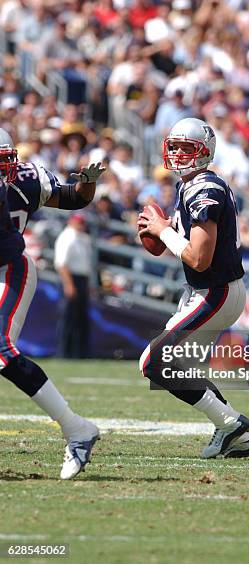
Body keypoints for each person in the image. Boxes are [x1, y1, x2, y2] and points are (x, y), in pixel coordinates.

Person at [137, 118, 249, 459]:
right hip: (209, 291)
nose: (177, 153)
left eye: (187, 148)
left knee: (154, 362)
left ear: (204, 152)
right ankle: (237, 437)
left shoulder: (205, 189)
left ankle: (230, 423)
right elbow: (175, 245)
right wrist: (158, 231)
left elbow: (199, 258)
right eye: (173, 146)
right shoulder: (192, 185)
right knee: (176, 366)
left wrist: (162, 230)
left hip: (215, 292)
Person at [0, 128, 105, 479]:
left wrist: (87, 184)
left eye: (4, 164)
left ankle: (76, 429)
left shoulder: (24, 180)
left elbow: (74, 198)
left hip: (8, 270)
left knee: (0, 350)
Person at [54, 214, 92, 359]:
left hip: (82, 279)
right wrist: (69, 285)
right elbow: (61, 264)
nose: (80, 224)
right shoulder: (66, 237)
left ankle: (80, 353)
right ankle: (64, 352)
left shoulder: (83, 238)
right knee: (67, 318)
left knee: (81, 319)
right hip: (71, 278)